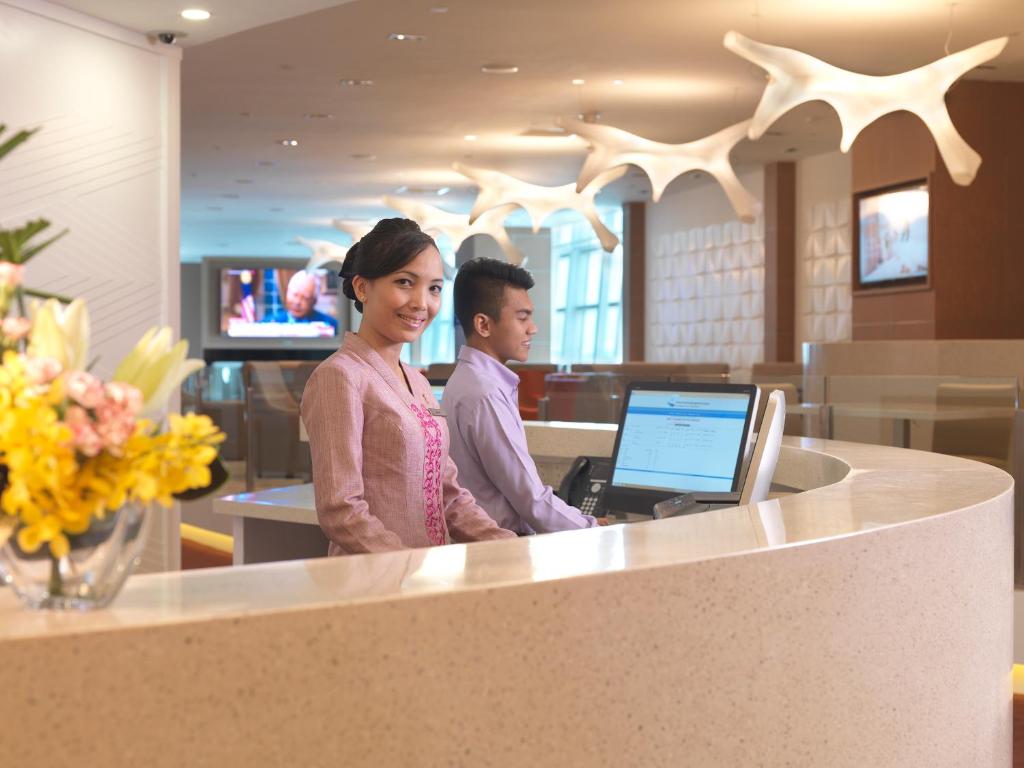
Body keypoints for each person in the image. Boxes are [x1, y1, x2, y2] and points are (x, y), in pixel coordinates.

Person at [300, 220, 516, 555]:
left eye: (434, 288)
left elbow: (448, 492)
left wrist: (506, 545)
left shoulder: (417, 380)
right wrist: (406, 567)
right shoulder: (339, 377)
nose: (421, 303)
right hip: (377, 584)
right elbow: (340, 509)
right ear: (362, 288)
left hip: (429, 578)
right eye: (404, 282)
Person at [443, 257, 600, 535]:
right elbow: (532, 500)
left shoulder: (467, 381)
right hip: (500, 551)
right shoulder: (484, 393)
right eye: (522, 317)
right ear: (483, 325)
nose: (533, 328)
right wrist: (594, 528)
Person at [266, 270, 338, 330]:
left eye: (305, 298)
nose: (297, 302)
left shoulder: (331, 325)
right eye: (295, 295)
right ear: (287, 292)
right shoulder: (269, 323)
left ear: (314, 301)